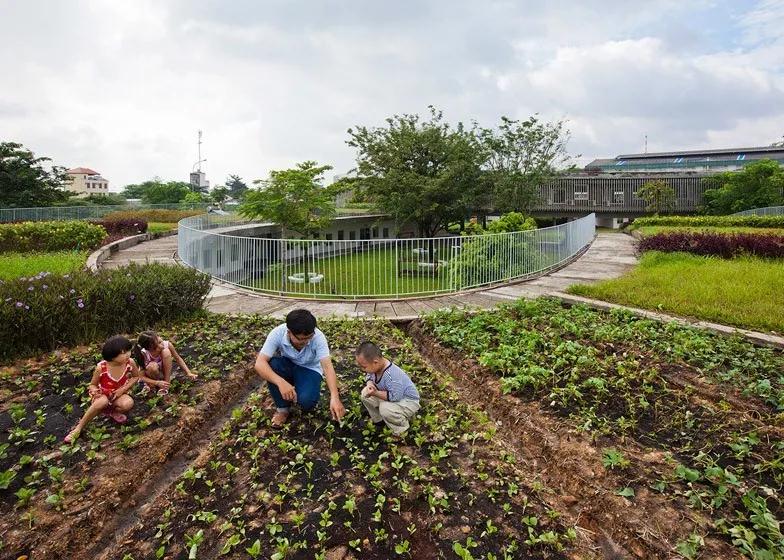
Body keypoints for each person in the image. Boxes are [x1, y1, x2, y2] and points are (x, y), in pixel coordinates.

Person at [254, 309, 346, 428]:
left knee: (307, 402)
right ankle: (283, 410)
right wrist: (281, 382)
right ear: (289, 332)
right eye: (300, 339)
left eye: (308, 337)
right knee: (272, 365)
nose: (305, 342)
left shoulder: (318, 337)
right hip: (287, 365)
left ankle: (299, 391)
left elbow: (328, 367)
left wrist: (335, 397)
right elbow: (259, 363)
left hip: (309, 369)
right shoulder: (277, 333)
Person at [64, 336, 141, 443]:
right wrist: (94, 391)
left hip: (118, 394)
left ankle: (112, 412)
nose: (128, 354)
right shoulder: (101, 367)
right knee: (102, 402)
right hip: (103, 394)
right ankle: (79, 427)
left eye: (128, 350)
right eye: (123, 353)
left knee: (128, 403)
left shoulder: (130, 362)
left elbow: (135, 377)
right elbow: (92, 385)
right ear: (112, 356)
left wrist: (123, 390)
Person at [356, 342, 420, 436]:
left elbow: (395, 397)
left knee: (385, 409)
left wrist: (375, 393)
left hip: (407, 401)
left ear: (375, 362)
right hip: (388, 394)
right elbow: (369, 376)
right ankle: (379, 420)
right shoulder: (374, 368)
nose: (362, 369)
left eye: (364, 367)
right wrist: (370, 384)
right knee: (365, 394)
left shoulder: (392, 376)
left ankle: (401, 430)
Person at [133, 331, 197, 396]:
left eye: (160, 342)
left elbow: (178, 358)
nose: (161, 346)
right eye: (157, 346)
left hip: (163, 373)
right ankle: (151, 386)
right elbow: (141, 376)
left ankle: (166, 384)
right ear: (149, 349)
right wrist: (156, 382)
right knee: (152, 366)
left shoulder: (166, 344)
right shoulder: (144, 353)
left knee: (166, 351)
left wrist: (188, 372)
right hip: (151, 376)